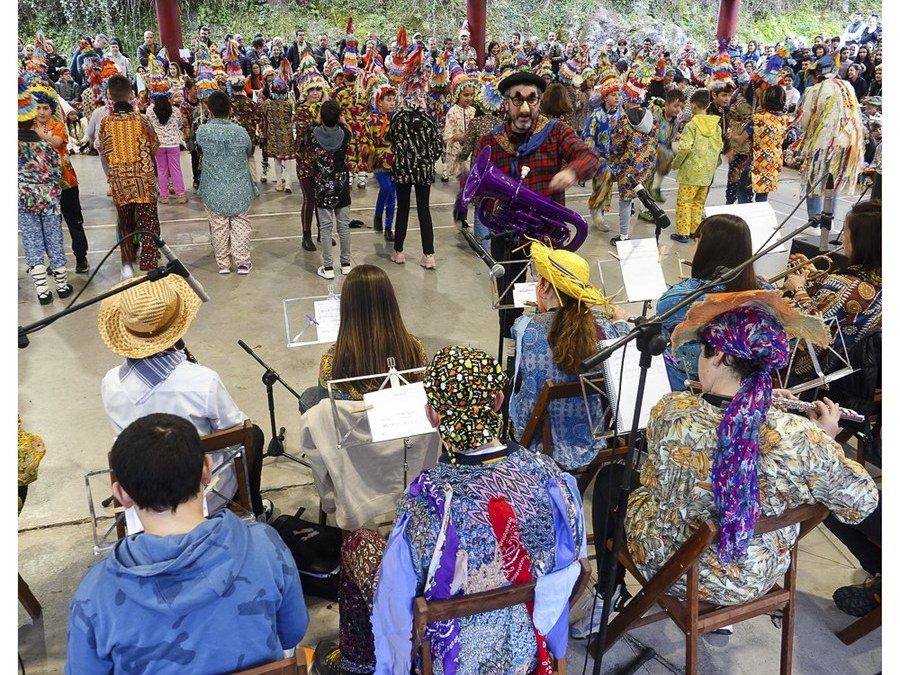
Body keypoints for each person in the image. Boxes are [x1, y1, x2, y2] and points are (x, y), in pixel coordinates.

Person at [591, 291, 878, 620]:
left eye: (701, 350)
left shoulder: (670, 412)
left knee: (613, 478)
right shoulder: (801, 438)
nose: (699, 359)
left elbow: (654, 480)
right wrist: (825, 440)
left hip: (676, 566)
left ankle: (607, 592)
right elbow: (861, 503)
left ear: (719, 357)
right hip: (755, 574)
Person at [316, 345, 585, 674]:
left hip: (452, 660)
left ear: (432, 415)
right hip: (528, 646)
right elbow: (568, 563)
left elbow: (397, 604)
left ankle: (356, 663)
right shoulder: (550, 478)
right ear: (498, 401)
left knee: (359, 543)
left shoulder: (425, 504)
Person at [65, 413, 308, 674]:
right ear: (206, 468)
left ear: (122, 495)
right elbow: (292, 632)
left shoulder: (94, 595)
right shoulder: (265, 544)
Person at [97, 275, 271, 520]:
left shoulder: (111, 382)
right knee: (255, 434)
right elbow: (237, 434)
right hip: (200, 494)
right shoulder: (203, 380)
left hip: (145, 495)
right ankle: (253, 510)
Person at [473, 70, 599, 343]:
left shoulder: (556, 132)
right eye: (517, 100)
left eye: (532, 99)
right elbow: (475, 190)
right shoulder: (490, 141)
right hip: (508, 235)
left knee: (559, 299)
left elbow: (588, 157)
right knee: (509, 305)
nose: (525, 107)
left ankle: (557, 350)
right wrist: (492, 201)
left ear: (540, 101)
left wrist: (573, 172)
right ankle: (511, 354)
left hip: (549, 233)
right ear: (505, 103)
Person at [509, 242, 629, 474]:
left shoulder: (524, 328)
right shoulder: (605, 330)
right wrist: (622, 322)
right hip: (591, 438)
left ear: (545, 288)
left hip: (536, 438)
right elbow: (623, 348)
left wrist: (541, 314)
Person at [657, 214, 767, 389]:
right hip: (744, 389)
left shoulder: (678, 298)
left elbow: (661, 340)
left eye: (696, 242)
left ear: (706, 248)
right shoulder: (766, 294)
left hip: (684, 387)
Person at [300, 264, 426, 410]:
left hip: (354, 427)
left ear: (346, 307)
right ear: (390, 302)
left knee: (307, 397)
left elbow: (326, 410)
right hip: (400, 419)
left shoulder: (333, 360)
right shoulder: (415, 347)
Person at [782, 200, 881, 381]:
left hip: (816, 373)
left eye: (846, 233)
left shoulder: (842, 285)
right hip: (860, 374)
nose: (843, 239)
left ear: (860, 241)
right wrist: (816, 275)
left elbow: (808, 328)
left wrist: (798, 290)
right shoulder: (874, 278)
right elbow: (847, 301)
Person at [98, 74, 161, 279]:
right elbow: (154, 145)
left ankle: (127, 264)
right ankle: (150, 264)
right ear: (131, 94)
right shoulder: (142, 120)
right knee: (148, 223)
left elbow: (104, 150)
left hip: (119, 183)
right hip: (143, 181)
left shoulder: (105, 122)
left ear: (109, 95)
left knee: (125, 223)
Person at [793, 54, 865, 229]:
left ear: (816, 75)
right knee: (835, 180)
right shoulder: (848, 86)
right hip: (850, 143)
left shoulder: (815, 90)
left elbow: (805, 119)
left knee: (815, 178)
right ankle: (828, 221)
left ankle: (814, 223)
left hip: (824, 142)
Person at [386, 57, 444, 269]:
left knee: (402, 209)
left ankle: (399, 252)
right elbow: (438, 148)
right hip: (424, 172)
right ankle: (429, 256)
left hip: (402, 170)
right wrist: (426, 159)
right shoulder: (429, 120)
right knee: (423, 211)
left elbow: (389, 139)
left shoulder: (398, 118)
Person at [18, 76, 71, 304]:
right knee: (54, 238)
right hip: (49, 199)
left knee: (32, 241)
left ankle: (42, 291)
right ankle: (61, 285)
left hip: (24, 201)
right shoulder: (46, 147)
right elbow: (57, 173)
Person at [196, 91, 257, 274]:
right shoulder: (241, 132)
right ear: (231, 110)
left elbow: (198, 148)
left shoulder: (203, 132)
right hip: (239, 186)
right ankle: (243, 263)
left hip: (213, 187)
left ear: (210, 111)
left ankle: (223, 264)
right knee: (240, 223)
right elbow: (248, 151)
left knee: (219, 225)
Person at [610, 60, 658, 243]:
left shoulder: (623, 121)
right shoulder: (652, 117)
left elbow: (615, 147)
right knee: (643, 196)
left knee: (625, 200)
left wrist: (615, 159)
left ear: (628, 99)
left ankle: (623, 236)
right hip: (646, 167)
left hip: (628, 169)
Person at [670, 89, 722, 243]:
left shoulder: (691, 126)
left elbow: (685, 147)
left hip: (690, 172)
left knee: (684, 202)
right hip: (707, 173)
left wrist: (676, 163)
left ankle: (682, 233)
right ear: (708, 105)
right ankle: (694, 230)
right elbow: (719, 148)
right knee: (698, 203)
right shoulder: (716, 127)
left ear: (693, 106)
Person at [310, 99, 352, 280]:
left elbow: (308, 135)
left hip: (322, 187)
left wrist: (317, 120)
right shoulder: (345, 134)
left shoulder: (313, 134)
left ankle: (328, 267)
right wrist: (343, 122)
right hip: (341, 185)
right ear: (339, 117)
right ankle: (346, 264)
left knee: (325, 228)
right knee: (343, 226)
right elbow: (349, 130)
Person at [293, 62, 329, 251]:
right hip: (306, 161)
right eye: (312, 89)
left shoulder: (325, 108)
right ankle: (306, 235)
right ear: (305, 92)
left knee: (322, 198)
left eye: (318, 89)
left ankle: (323, 232)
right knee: (310, 199)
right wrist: (316, 124)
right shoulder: (301, 111)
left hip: (322, 162)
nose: (315, 93)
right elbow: (303, 138)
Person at [582, 57, 621, 232]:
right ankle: (596, 213)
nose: (617, 98)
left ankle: (600, 214)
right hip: (599, 159)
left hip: (614, 158)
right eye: (613, 95)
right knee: (602, 183)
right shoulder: (597, 115)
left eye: (618, 94)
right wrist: (593, 155)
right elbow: (587, 135)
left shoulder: (621, 115)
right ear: (605, 97)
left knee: (608, 186)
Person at [146, 70, 187, 205]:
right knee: (176, 169)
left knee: (161, 170)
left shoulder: (150, 111)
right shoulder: (175, 110)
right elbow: (180, 124)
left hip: (159, 144)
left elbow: (149, 126)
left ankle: (164, 196)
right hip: (174, 143)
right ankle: (180, 194)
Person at [443, 64, 476, 227]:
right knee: (465, 184)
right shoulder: (452, 112)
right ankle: (460, 214)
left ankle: (461, 213)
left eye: (471, 95)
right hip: (458, 155)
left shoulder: (473, 111)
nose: (468, 98)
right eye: (465, 95)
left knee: (470, 185)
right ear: (458, 95)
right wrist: (460, 137)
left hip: (471, 155)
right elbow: (447, 136)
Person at [366, 81, 398, 241]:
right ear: (379, 102)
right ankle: (378, 214)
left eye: (393, 100)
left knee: (393, 195)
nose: (392, 103)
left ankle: (388, 227)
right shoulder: (371, 119)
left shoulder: (397, 119)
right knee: (385, 188)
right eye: (388, 100)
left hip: (394, 161)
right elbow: (367, 139)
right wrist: (370, 156)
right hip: (379, 160)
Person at [258, 59, 296, 193]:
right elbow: (292, 118)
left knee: (277, 161)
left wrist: (264, 132)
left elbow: (263, 119)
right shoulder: (288, 104)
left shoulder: (267, 103)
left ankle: (279, 182)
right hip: (287, 135)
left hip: (273, 136)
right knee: (288, 161)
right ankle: (289, 183)